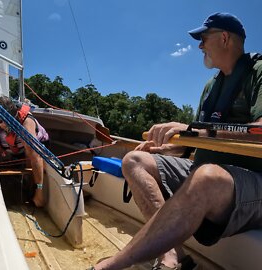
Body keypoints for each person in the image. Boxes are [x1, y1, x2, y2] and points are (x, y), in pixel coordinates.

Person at [93, 13, 262, 270]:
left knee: (206, 177)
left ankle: (113, 265)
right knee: (135, 160)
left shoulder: (258, 72)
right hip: (209, 171)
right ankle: (172, 257)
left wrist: (192, 129)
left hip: (253, 180)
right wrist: (168, 147)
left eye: (204, 38)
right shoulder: (210, 87)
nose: (200, 46)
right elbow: (196, 142)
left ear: (225, 38)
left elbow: (259, 132)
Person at [0, 96, 49, 207]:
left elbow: (36, 157)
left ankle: (32, 187)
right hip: (12, 148)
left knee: (30, 151)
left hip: (32, 150)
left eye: (2, 121)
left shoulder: (26, 123)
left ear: (13, 115)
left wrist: (39, 192)